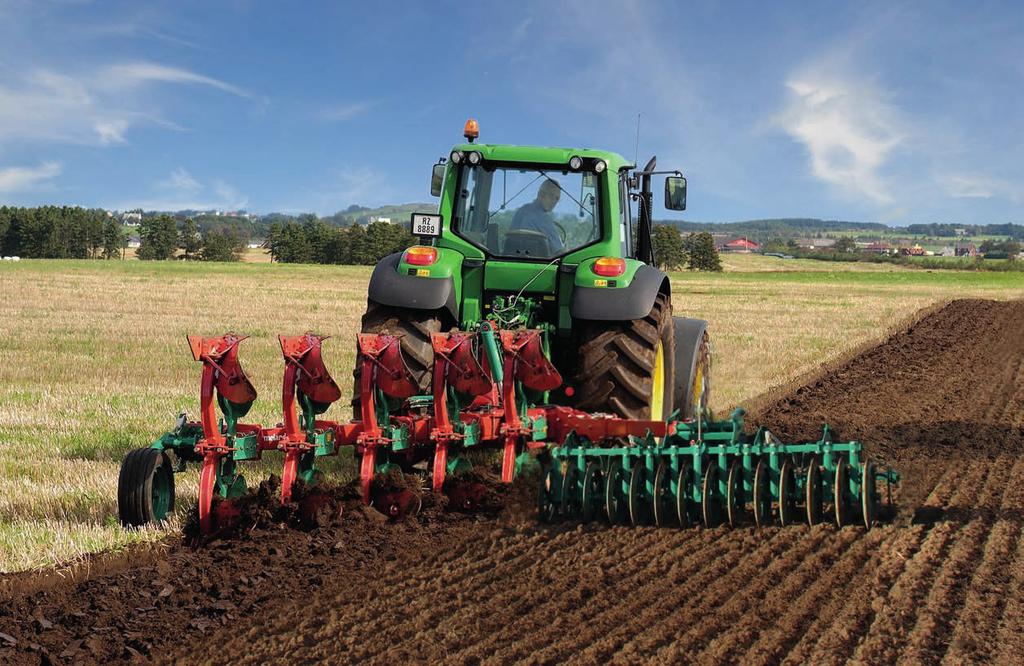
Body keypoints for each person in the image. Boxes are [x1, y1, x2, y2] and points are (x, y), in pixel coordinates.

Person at [509, 179, 563, 250]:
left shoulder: (521, 211)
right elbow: (559, 250)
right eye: (551, 196)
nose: (554, 201)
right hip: (537, 260)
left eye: (557, 198)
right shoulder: (544, 219)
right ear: (540, 194)